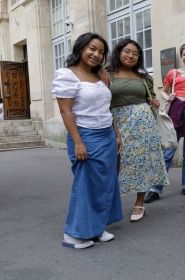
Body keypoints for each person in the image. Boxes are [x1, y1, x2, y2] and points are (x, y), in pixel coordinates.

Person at [51, 32, 123, 249]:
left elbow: (105, 108)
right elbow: (66, 112)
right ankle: (73, 235)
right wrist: (78, 142)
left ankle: (96, 228)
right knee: (86, 185)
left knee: (105, 182)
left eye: (101, 51)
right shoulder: (67, 75)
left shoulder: (100, 76)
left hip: (107, 135)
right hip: (86, 135)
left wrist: (116, 133)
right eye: (92, 48)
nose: (96, 54)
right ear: (81, 48)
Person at [107, 38, 169, 222]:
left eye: (135, 53)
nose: (131, 55)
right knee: (114, 162)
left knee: (141, 162)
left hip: (144, 124)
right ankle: (108, 203)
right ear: (119, 52)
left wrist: (155, 104)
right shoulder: (106, 74)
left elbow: (151, 100)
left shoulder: (143, 77)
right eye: (127, 51)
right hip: (116, 122)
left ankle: (139, 202)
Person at [144, 43, 185, 203]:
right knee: (168, 151)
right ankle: (155, 188)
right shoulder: (174, 73)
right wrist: (167, 97)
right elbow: (163, 91)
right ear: (181, 56)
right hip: (176, 112)